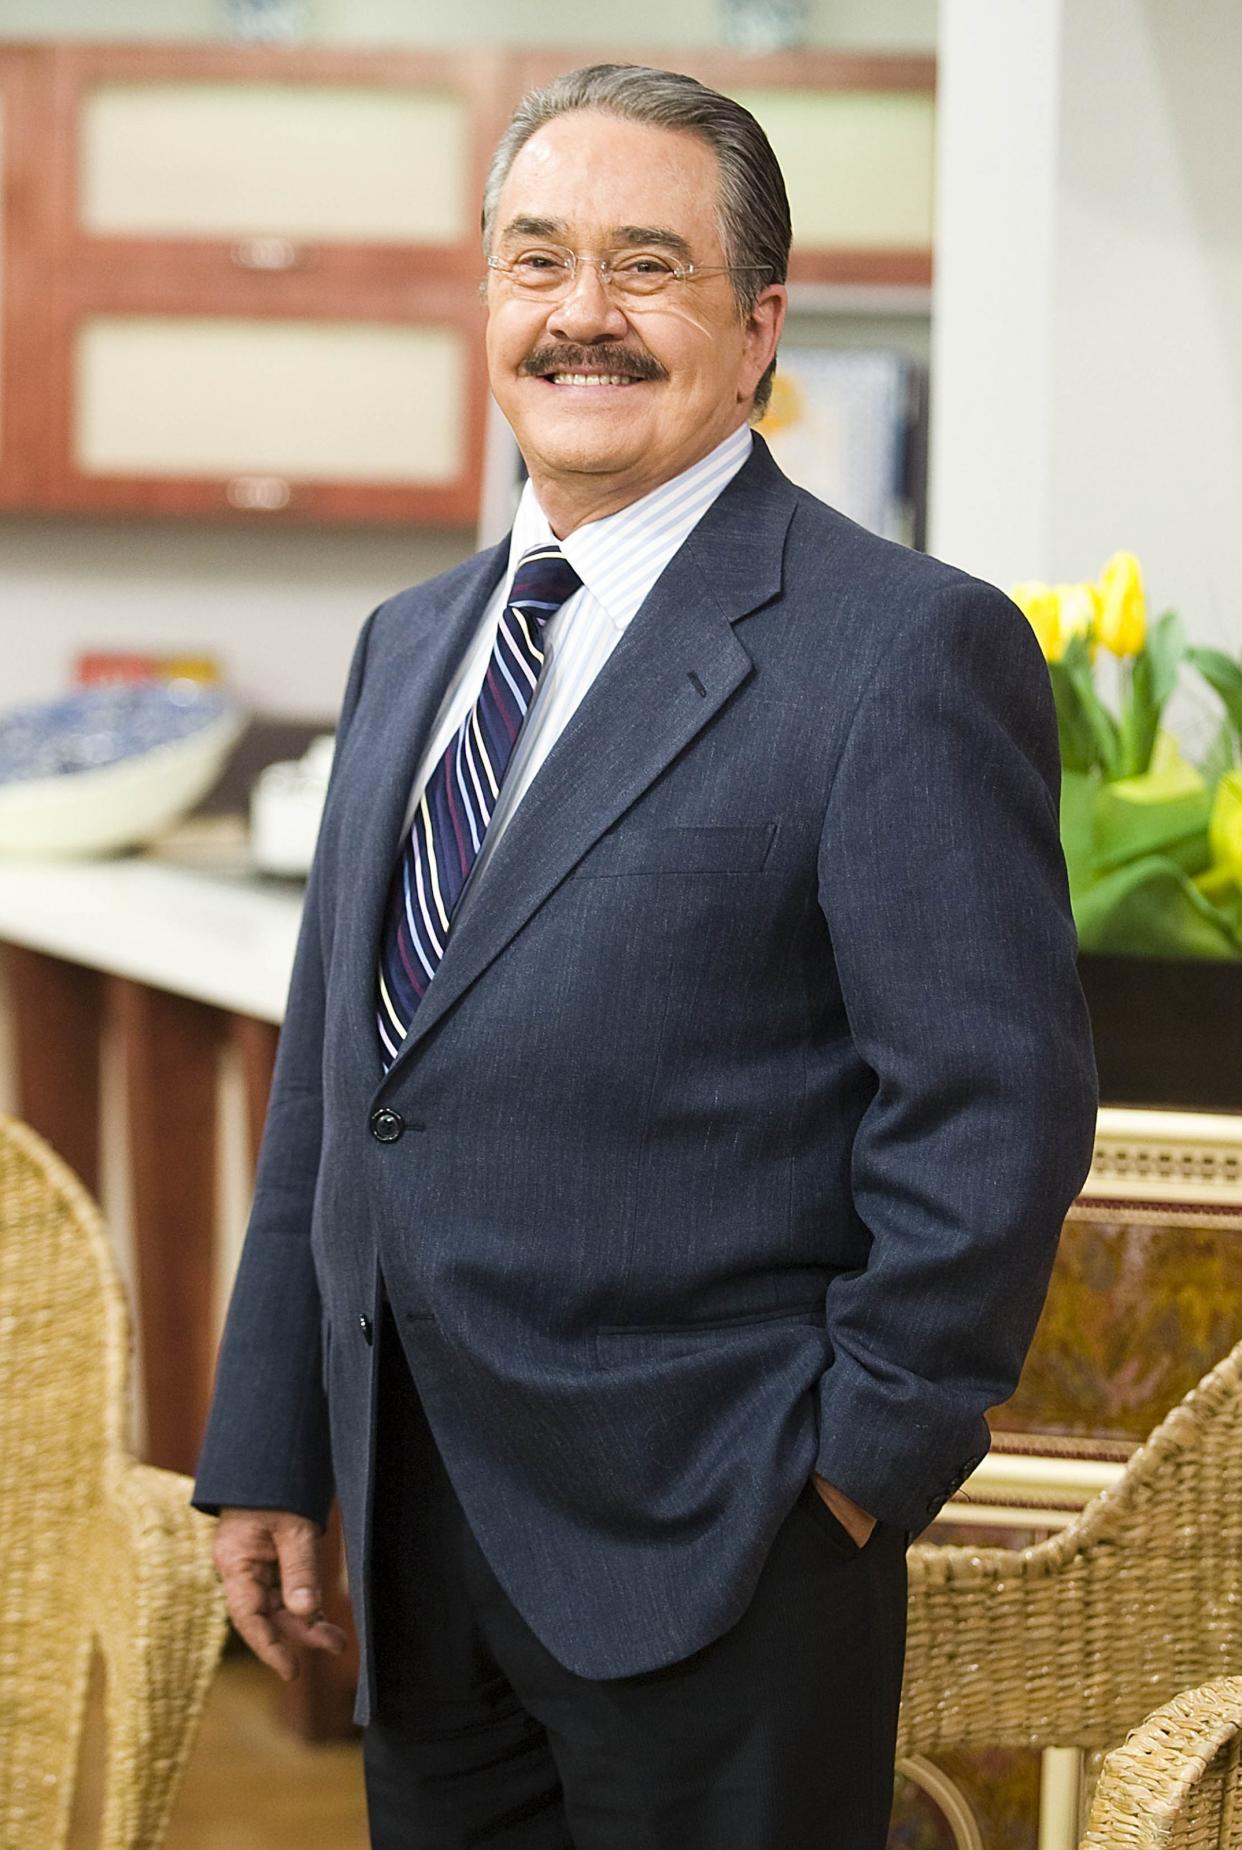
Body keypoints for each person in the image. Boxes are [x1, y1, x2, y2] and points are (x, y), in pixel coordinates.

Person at [193, 62, 1099, 1850]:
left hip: (722, 1539)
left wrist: (848, 1476)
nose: (579, 316)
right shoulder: (409, 642)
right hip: (416, 1526)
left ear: (756, 328)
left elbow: (991, 1110)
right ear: (489, 303)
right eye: (536, 262)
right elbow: (335, 1083)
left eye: (645, 267)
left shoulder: (901, 650)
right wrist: (273, 1441)